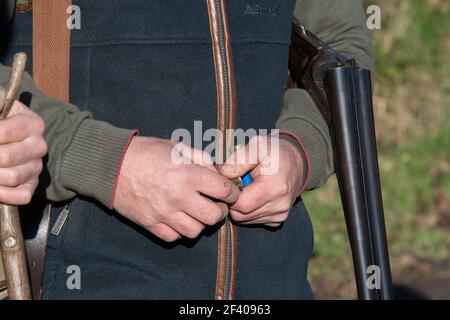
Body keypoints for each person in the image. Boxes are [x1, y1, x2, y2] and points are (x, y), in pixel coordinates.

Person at [0, 0, 373, 299]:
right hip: (69, 274)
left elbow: (340, 46)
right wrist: (102, 160)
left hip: (274, 281)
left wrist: (300, 149)